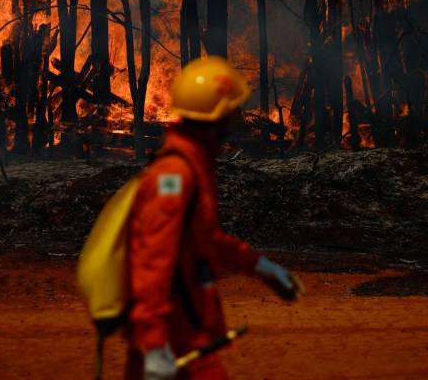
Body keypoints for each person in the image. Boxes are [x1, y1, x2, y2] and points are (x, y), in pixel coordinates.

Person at [125, 56, 300, 380]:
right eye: (233, 112)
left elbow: (204, 240)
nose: (238, 120)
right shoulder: (174, 177)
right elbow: (151, 261)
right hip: (173, 342)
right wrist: (154, 346)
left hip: (187, 335)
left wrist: (259, 266)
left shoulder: (194, 165)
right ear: (216, 118)